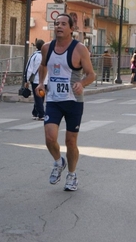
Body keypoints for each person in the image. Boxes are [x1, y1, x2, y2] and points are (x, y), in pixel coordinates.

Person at [35, 13, 95, 191]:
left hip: (73, 101)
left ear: (71, 29)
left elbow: (91, 74)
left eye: (63, 24)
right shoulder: (47, 47)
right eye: (56, 23)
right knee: (49, 138)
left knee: (70, 141)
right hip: (53, 99)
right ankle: (58, 161)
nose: (59, 26)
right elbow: (43, 65)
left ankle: (72, 174)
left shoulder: (80, 49)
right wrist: (41, 82)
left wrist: (82, 83)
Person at [25, 39, 46, 120]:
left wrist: (26, 80)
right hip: (45, 80)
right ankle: (36, 112)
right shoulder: (46, 55)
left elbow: (29, 69)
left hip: (36, 80)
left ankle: (40, 114)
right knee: (41, 97)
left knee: (38, 98)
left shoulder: (34, 56)